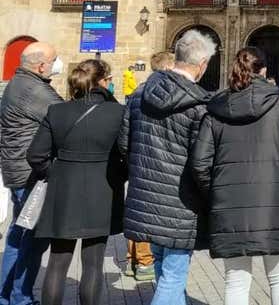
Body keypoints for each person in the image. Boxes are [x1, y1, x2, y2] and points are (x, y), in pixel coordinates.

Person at [192, 47, 279, 305]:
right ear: (264, 71)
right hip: (273, 201)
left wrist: (215, 192)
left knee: (235, 281)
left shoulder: (216, 110)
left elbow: (200, 164)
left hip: (229, 204)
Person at [119, 30, 216, 305]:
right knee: (174, 274)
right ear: (202, 65)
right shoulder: (198, 104)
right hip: (180, 204)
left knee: (162, 266)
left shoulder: (139, 94)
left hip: (144, 194)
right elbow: (202, 162)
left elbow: (124, 145)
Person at [27, 60, 125, 305]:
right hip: (102, 191)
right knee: (93, 264)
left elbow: (35, 155)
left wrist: (55, 173)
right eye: (110, 78)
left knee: (58, 263)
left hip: (64, 191)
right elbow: (129, 154)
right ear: (102, 81)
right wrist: (118, 175)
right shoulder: (118, 112)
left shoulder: (57, 111)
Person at [0, 42, 63, 305]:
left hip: (18, 171)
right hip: (31, 176)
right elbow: (63, 116)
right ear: (41, 66)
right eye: (54, 59)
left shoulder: (19, 82)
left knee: (17, 234)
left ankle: (6, 296)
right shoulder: (35, 90)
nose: (57, 63)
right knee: (34, 240)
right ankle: (21, 298)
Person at [122, 51, 174, 282]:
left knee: (137, 212)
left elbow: (124, 137)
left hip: (138, 161)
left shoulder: (135, 94)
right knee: (148, 216)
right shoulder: (170, 94)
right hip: (159, 163)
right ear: (169, 68)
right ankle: (144, 263)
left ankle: (131, 260)